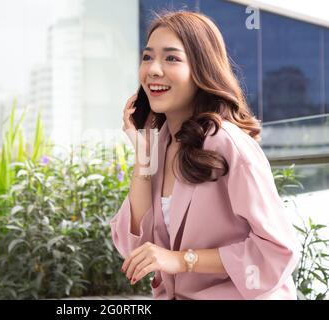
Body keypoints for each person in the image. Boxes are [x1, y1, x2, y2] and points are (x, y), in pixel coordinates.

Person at [110, 10, 301, 300]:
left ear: (201, 70)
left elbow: (278, 250)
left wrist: (182, 260)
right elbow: (132, 247)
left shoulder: (228, 144)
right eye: (147, 57)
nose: (153, 69)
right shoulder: (158, 146)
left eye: (171, 58)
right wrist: (143, 157)